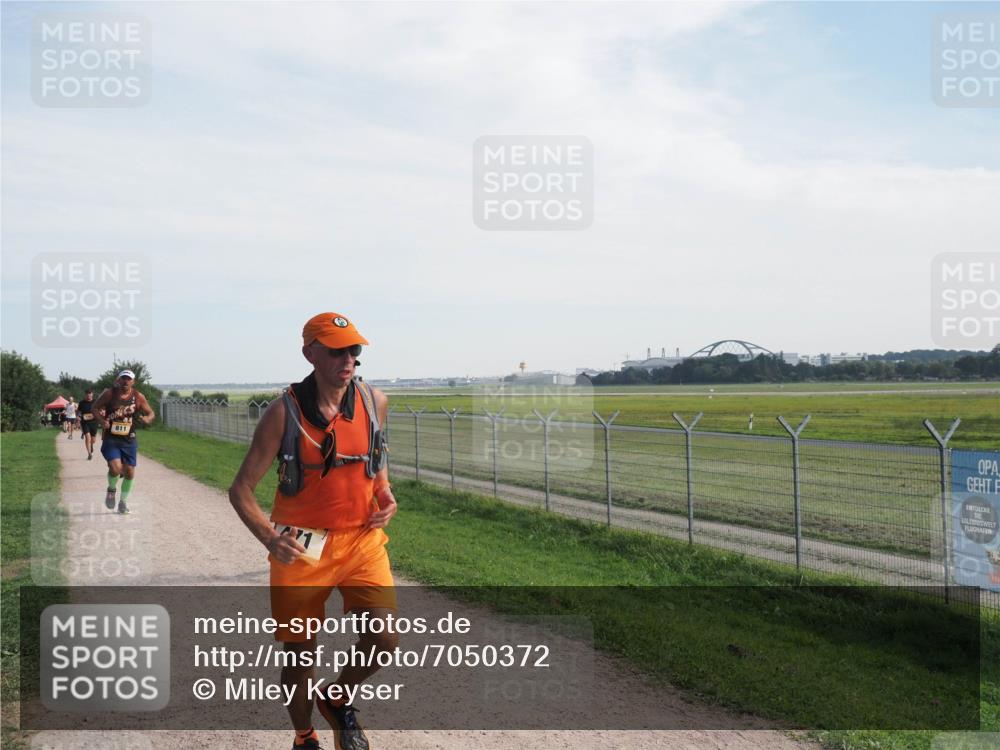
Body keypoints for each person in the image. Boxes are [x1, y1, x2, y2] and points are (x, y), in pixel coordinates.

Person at [229, 312, 397, 750]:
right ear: (310, 353)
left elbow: (376, 461)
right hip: (304, 547)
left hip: (362, 540)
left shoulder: (373, 401)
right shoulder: (282, 414)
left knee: (383, 637)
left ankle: (337, 696)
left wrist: (386, 493)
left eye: (354, 350)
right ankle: (304, 735)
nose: (348, 359)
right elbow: (241, 489)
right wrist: (269, 538)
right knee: (300, 656)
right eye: (336, 349)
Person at [94, 370, 155, 514]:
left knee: (129, 472)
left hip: (129, 439)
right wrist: (102, 422)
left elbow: (151, 413)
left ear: (133, 382)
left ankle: (123, 502)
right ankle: (111, 489)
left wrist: (147, 419)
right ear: (118, 380)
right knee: (115, 468)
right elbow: (95, 408)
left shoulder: (138, 396)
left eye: (129, 379)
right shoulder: (109, 394)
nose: (126, 382)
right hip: (112, 438)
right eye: (123, 379)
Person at [78, 389, 98, 460]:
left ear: (92, 394)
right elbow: (79, 412)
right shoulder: (81, 403)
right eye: (87, 394)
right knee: (87, 437)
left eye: (90, 393)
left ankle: (91, 445)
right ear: (85, 394)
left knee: (93, 440)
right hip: (85, 422)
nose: (88, 395)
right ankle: (89, 454)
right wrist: (79, 417)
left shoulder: (96, 402)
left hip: (94, 422)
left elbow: (100, 409)